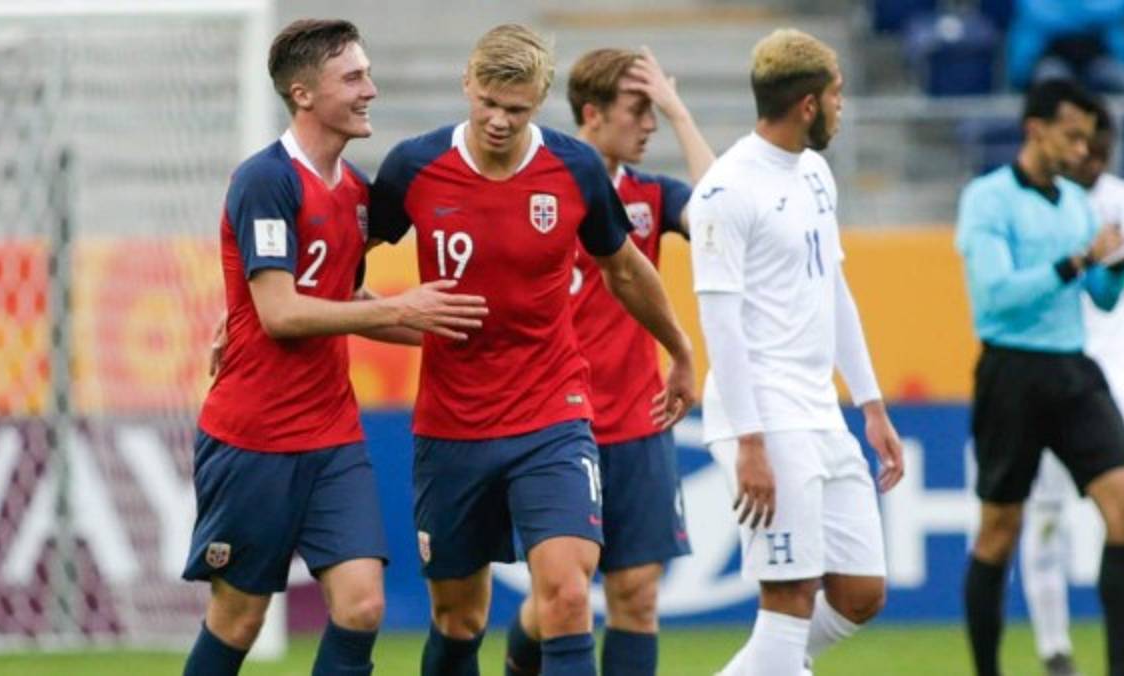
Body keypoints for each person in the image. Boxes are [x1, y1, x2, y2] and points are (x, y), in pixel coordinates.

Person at [368, 24, 697, 676]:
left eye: (515, 110)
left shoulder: (574, 169)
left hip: (552, 415)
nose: (498, 120)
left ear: (540, 101)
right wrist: (378, 313)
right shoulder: (413, 166)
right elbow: (344, 262)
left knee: (570, 595)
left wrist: (680, 350)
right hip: (452, 423)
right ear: (467, 82)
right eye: (487, 102)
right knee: (458, 619)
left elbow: (625, 270)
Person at [180, 19, 489, 676]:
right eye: (352, 77)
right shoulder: (266, 180)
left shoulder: (355, 193)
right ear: (303, 93)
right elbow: (281, 314)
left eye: (368, 74)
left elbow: (345, 300)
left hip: (332, 436)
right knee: (239, 619)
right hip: (253, 438)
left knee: (362, 605)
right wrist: (403, 307)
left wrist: (459, 330)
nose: (370, 89)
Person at [689, 28, 905, 676]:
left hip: (820, 411)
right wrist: (750, 440)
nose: (842, 107)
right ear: (808, 104)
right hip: (765, 412)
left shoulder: (814, 172)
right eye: (836, 95)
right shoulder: (726, 191)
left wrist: (871, 404)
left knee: (861, 591)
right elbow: (719, 323)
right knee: (788, 597)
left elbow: (833, 289)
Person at [502, 46, 714, 676]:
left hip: (639, 419)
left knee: (638, 595)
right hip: (558, 426)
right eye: (638, 109)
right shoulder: (538, 189)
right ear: (591, 113)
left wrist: (679, 113)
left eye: (655, 111)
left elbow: (723, 214)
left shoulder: (650, 195)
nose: (649, 125)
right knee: (561, 597)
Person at [955, 79, 1124, 676]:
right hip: (1011, 370)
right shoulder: (988, 199)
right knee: (999, 529)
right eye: (1072, 136)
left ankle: (1121, 668)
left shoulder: (1075, 204)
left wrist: (1115, 265)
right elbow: (997, 294)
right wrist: (1079, 259)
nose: (1083, 151)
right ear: (1035, 130)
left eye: (1087, 139)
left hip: (1072, 367)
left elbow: (1102, 299)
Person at [1018, 99, 1124, 676]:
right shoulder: (1042, 205)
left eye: (1102, 149)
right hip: (1060, 363)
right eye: (1083, 145)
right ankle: (1054, 647)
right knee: (1046, 513)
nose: (1092, 158)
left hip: (1122, 364)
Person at [1007, 0, 1124, 92]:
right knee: (1051, 80)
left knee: (1123, 81)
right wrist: (1083, 15)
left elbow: (1118, 7)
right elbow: (1036, 12)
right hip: (1047, 53)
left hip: (1102, 52)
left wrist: (1070, 12)